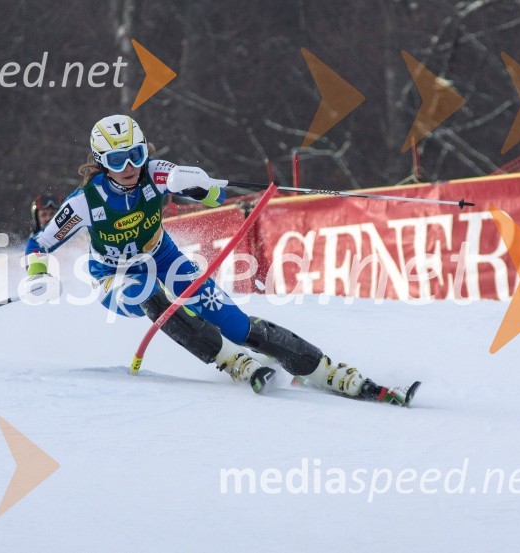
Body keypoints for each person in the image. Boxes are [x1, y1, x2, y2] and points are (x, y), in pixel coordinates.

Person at [24, 114, 419, 406]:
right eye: (116, 160)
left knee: (234, 322)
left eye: (135, 155)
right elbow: (39, 243)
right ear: (99, 162)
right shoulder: (84, 202)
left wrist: (197, 185)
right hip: (114, 275)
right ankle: (232, 361)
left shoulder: (155, 174)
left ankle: (328, 370)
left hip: (162, 255)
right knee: (144, 292)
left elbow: (212, 196)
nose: (128, 168)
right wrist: (38, 273)